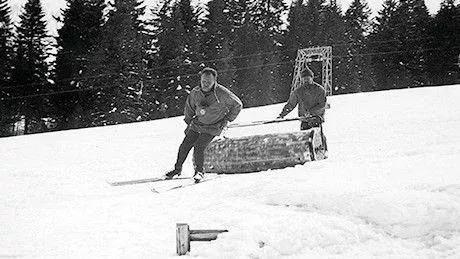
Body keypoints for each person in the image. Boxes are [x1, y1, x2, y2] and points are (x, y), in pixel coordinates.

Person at [165, 67, 243, 182]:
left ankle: (199, 172)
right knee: (185, 145)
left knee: (199, 146)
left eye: (209, 82)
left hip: (214, 125)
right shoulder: (195, 92)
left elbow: (238, 104)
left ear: (214, 81)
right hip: (198, 123)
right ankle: (177, 169)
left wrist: (228, 119)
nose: (205, 84)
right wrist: (188, 122)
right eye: (203, 82)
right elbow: (189, 108)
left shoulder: (222, 93)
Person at [277, 67, 328, 150]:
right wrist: (282, 115)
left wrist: (311, 112)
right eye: (304, 79)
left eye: (308, 78)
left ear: (312, 78)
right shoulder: (298, 91)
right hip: (304, 120)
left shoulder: (319, 90)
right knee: (305, 141)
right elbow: (290, 104)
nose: (306, 80)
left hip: (316, 119)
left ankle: (323, 152)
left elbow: (322, 104)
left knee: (318, 140)